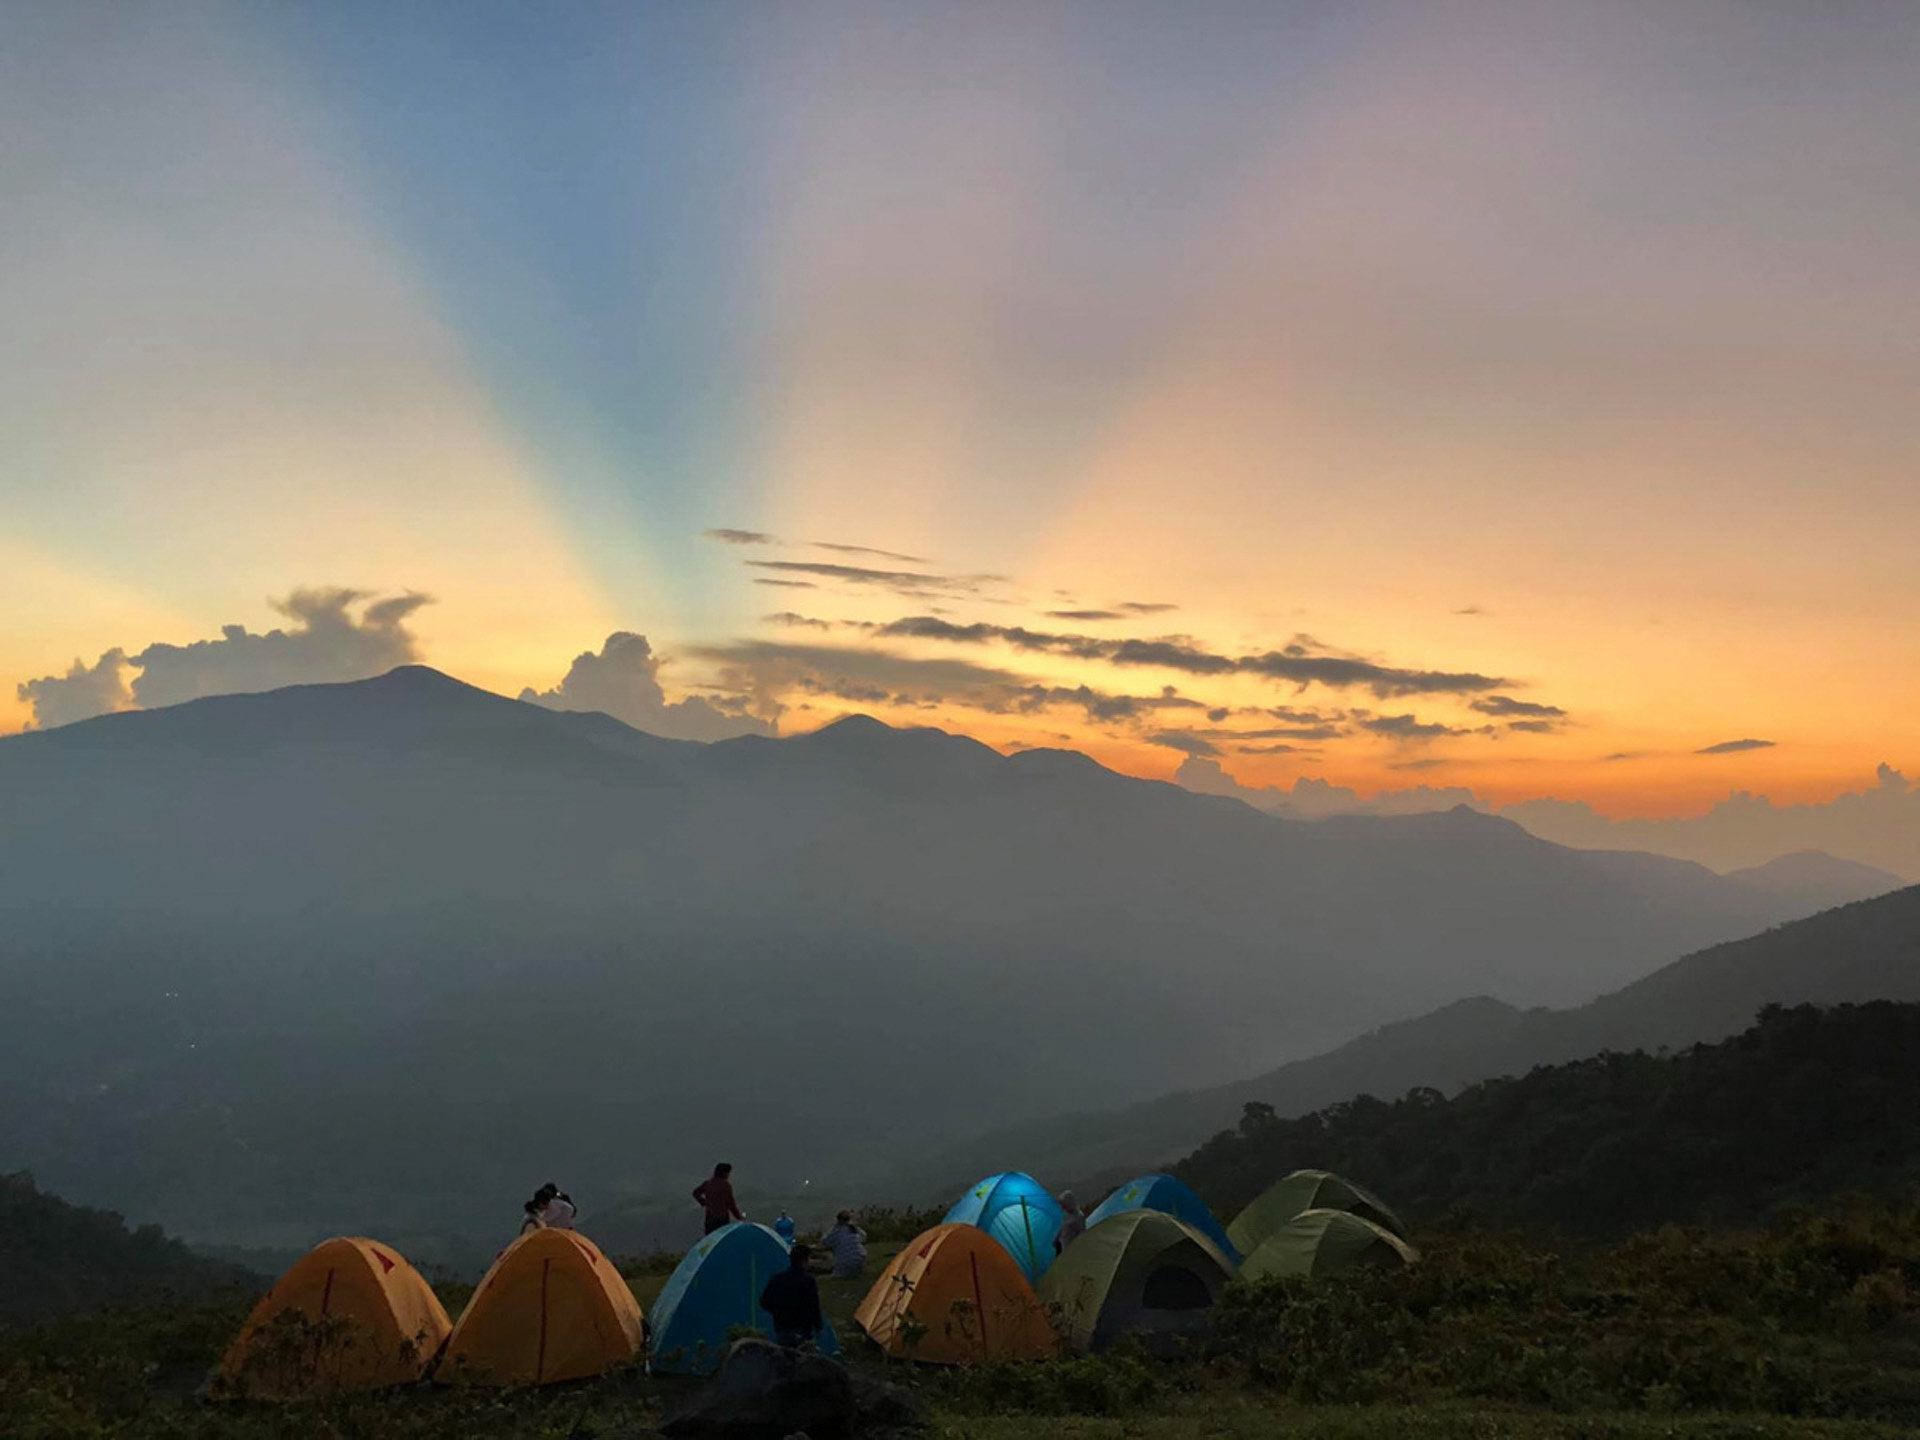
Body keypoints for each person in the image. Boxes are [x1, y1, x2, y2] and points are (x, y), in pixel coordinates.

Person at [759, 1243, 824, 1348]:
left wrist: (778, 1312)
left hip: (782, 1328)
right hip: (803, 1330)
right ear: (804, 1261)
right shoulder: (808, 1281)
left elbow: (764, 1301)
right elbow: (813, 1306)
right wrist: (818, 1327)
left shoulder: (777, 1279)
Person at [693, 1163, 744, 1235]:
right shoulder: (726, 1186)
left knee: (710, 1239)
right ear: (725, 1173)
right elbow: (731, 1204)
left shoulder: (708, 1184)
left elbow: (696, 1193)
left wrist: (703, 1202)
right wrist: (739, 1217)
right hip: (722, 1219)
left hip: (710, 1218)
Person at [819, 1210, 868, 1278]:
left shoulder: (836, 1231)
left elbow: (824, 1241)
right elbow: (864, 1237)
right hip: (860, 1262)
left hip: (844, 1265)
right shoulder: (855, 1229)